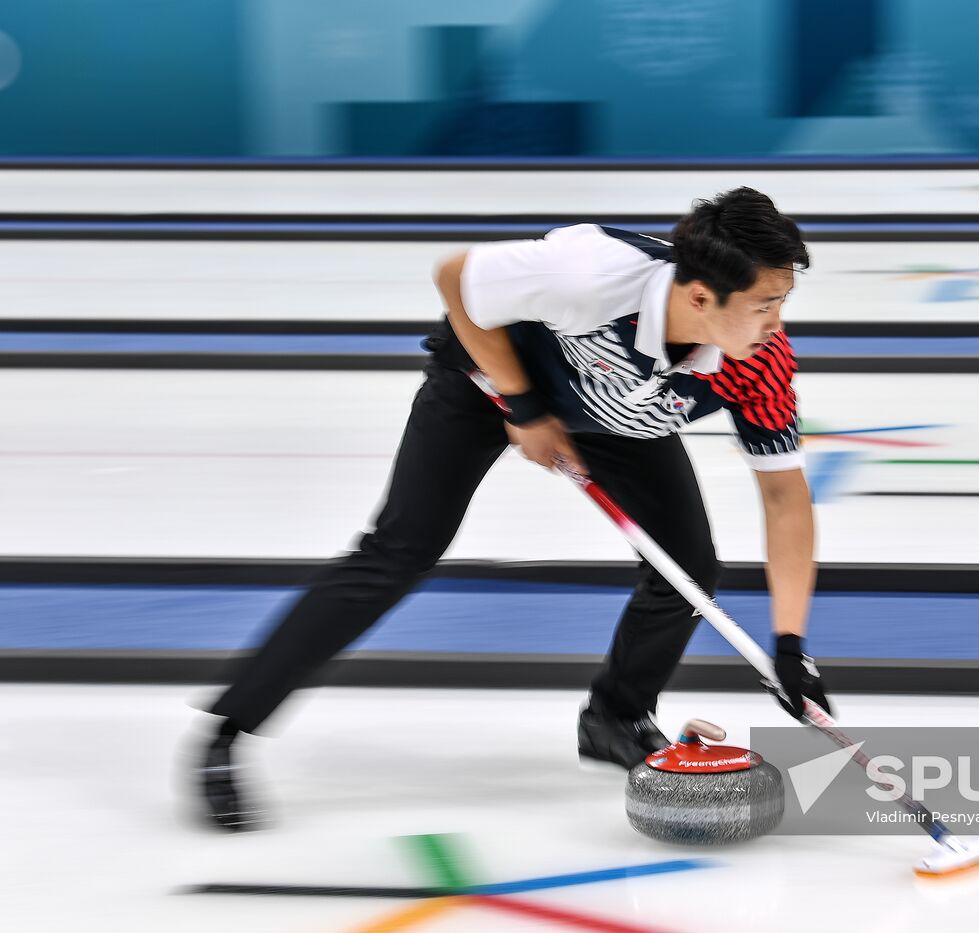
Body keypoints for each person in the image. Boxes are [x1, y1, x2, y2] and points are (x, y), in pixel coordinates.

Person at [195, 187, 833, 831]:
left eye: (782, 301)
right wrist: (525, 406)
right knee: (400, 550)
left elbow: (784, 500)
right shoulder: (589, 273)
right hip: (491, 384)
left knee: (687, 571)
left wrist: (791, 646)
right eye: (764, 304)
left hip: (620, 418)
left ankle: (615, 717)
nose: (778, 322)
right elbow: (455, 279)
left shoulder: (760, 363)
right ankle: (229, 729)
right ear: (701, 297)